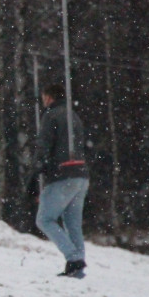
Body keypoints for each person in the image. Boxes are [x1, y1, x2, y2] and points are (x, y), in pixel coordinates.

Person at [30, 82, 89, 278]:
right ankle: (77, 268)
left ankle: (73, 258)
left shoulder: (51, 115)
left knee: (44, 219)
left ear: (48, 97)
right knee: (73, 223)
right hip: (81, 174)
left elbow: (43, 146)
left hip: (62, 174)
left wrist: (36, 172)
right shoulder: (75, 116)